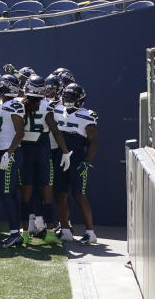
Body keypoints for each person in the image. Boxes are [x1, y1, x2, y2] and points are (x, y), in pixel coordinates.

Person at [18, 75, 71, 244]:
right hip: (42, 151)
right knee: (47, 194)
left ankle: (25, 232)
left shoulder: (20, 104)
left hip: (26, 150)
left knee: (26, 194)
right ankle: (49, 231)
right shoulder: (46, 106)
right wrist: (64, 151)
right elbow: (55, 130)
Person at [53, 84, 98, 244]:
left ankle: (90, 232)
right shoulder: (58, 110)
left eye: (71, 97)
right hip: (60, 156)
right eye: (66, 96)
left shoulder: (87, 115)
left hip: (77, 159)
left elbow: (93, 142)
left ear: (79, 98)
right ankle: (65, 230)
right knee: (60, 194)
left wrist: (87, 161)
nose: (67, 99)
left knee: (79, 195)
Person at [0, 74, 26, 248]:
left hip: (9, 154)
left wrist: (9, 153)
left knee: (7, 194)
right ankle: (16, 232)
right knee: (10, 194)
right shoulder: (5, 104)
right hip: (5, 152)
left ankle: (15, 233)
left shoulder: (14, 105)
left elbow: (20, 133)